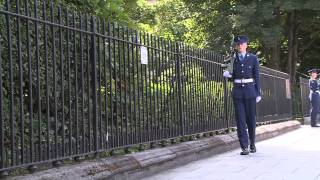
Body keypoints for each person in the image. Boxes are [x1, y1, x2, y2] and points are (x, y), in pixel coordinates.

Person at [223, 35, 261, 155]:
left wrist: (258, 92)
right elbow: (232, 75)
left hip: (250, 91)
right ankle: (244, 147)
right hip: (238, 92)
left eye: (241, 44)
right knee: (240, 120)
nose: (239, 46)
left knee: (251, 119)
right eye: (238, 44)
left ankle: (252, 144)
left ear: (246, 45)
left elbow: (257, 76)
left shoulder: (253, 58)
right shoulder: (232, 59)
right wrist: (228, 75)